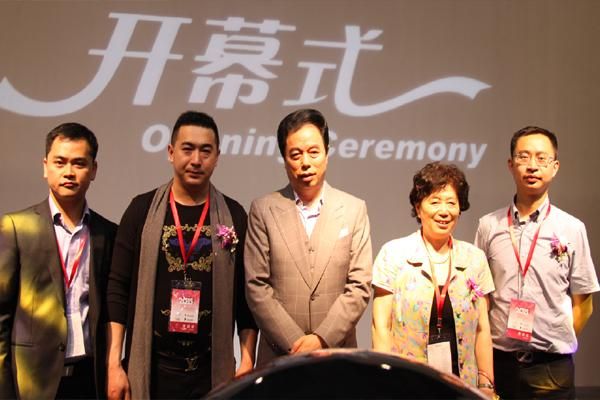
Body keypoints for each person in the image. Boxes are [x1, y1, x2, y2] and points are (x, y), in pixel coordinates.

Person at [105, 111, 258, 399]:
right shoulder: (141, 210)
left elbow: (246, 298)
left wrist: (248, 360)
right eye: (188, 149)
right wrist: (113, 364)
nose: (196, 160)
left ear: (217, 157)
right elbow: (118, 288)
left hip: (211, 373)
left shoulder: (234, 215)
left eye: (205, 151)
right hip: (152, 370)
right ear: (171, 152)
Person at [475, 126, 599, 399]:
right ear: (511, 165)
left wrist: (555, 338)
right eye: (524, 157)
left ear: (555, 167)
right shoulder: (488, 225)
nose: (532, 166)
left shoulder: (572, 228)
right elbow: (481, 298)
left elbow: (584, 303)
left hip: (551, 368)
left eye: (542, 158)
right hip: (499, 362)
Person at [244, 108, 372, 366]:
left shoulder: (353, 209)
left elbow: (359, 285)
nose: (305, 162)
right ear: (284, 158)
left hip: (338, 356)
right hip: (279, 357)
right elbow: (256, 285)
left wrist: (322, 339)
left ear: (327, 153)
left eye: (314, 152)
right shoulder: (263, 210)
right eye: (295, 154)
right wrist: (296, 343)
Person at [0, 123, 117, 399]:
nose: (69, 172)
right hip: (32, 381)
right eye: (60, 162)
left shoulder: (107, 233)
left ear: (93, 170)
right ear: (45, 166)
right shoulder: (16, 227)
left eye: (79, 163)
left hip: (89, 378)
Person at [371, 162, 496, 397]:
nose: (444, 211)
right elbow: (381, 327)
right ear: (418, 208)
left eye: (451, 202)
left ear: (460, 209)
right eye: (435, 201)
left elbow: (482, 329)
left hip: (462, 386)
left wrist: (486, 384)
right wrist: (386, 384)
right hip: (407, 386)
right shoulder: (394, 254)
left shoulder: (474, 259)